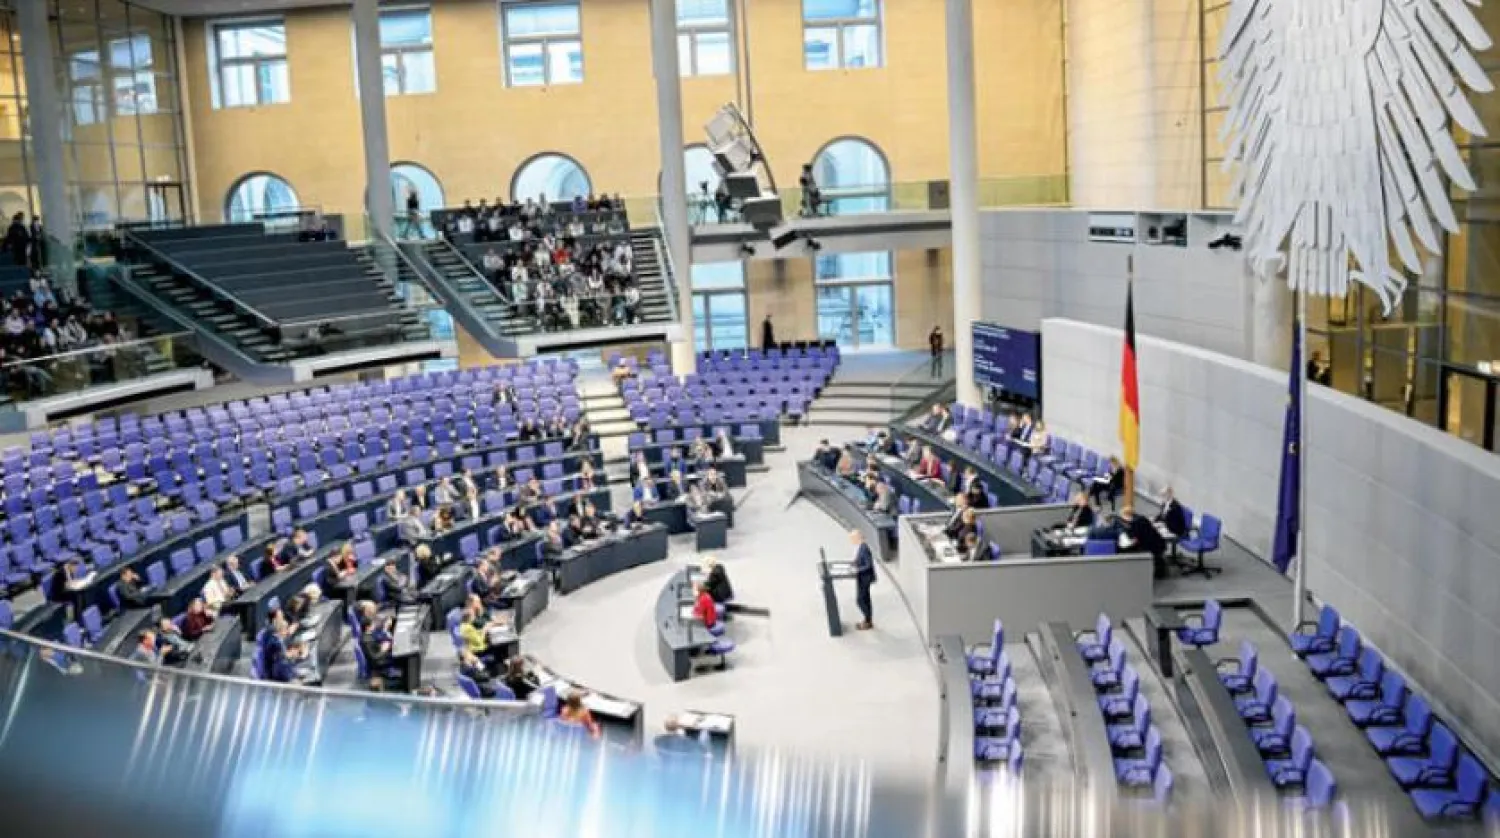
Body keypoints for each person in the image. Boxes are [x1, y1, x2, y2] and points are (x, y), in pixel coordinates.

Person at [1119, 505, 1168, 579]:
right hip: (1159, 543)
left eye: (1123, 517)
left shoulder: (1136, 523)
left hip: (1151, 547)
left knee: (1124, 549)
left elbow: (1133, 538)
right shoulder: (1141, 518)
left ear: (1127, 516)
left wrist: (1126, 535)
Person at [850, 529, 876, 630]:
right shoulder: (862, 546)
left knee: (860, 600)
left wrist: (858, 570)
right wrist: (855, 562)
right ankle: (867, 620)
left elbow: (868, 565)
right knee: (865, 599)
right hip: (862, 577)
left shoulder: (865, 548)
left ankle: (868, 620)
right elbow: (860, 559)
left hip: (865, 578)